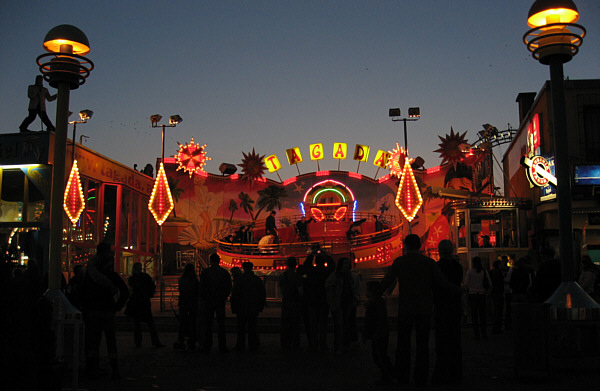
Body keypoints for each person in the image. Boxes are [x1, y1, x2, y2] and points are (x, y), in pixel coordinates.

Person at [380, 234, 461, 387]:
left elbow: (387, 281)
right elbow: (442, 282)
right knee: (422, 345)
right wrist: (458, 289)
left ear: (405, 245)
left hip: (405, 308)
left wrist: (375, 293)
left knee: (403, 344)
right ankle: (421, 377)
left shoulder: (400, 262)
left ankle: (402, 376)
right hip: (424, 308)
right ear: (419, 246)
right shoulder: (428, 263)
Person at [81, 242, 129, 380]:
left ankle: (92, 369)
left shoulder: (90, 275)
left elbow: (83, 292)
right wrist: (116, 306)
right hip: (107, 310)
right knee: (110, 341)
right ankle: (114, 370)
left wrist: (85, 307)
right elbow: (124, 292)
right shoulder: (111, 276)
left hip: (92, 310)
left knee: (93, 342)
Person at [432, 239, 464, 386]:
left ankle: (442, 371)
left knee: (442, 340)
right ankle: (456, 371)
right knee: (455, 339)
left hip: (441, 306)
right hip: (455, 305)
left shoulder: (437, 267)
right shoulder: (458, 267)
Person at [125, 262, 164, 348]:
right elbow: (151, 287)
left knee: (137, 325)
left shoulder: (133, 279)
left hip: (137, 303)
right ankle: (155, 341)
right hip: (143, 302)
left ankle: (138, 342)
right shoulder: (144, 277)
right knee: (150, 324)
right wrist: (149, 294)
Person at [199, 253, 232, 353]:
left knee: (208, 324)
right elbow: (228, 286)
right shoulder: (224, 272)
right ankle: (222, 345)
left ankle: (207, 344)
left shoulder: (206, 272)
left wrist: (203, 297)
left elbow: (202, 286)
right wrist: (224, 295)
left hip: (209, 300)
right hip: (220, 300)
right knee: (221, 324)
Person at [363, 280, 394, 385]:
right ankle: (389, 373)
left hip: (378, 333)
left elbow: (370, 321)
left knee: (379, 356)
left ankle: (387, 375)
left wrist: (366, 335)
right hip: (382, 332)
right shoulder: (379, 302)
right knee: (381, 354)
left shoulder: (373, 304)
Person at [231, 262, 266, 351]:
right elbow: (262, 294)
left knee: (241, 328)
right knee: (252, 327)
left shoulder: (240, 280)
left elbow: (235, 294)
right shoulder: (256, 279)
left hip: (241, 306)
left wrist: (234, 306)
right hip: (253, 306)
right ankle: (253, 344)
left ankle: (240, 345)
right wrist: (261, 305)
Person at [326, 257, 358, 354]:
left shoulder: (348, 276)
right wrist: (332, 303)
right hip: (339, 303)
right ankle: (339, 346)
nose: (346, 266)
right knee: (339, 325)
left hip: (347, 303)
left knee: (346, 324)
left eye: (347, 264)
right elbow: (330, 290)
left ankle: (344, 345)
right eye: (344, 264)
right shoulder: (336, 276)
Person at [304, 252, 331, 351]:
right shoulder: (326, 272)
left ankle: (313, 344)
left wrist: (311, 254)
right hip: (323, 301)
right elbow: (332, 266)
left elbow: (306, 265)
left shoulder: (312, 272)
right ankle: (322, 343)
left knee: (313, 325)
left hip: (312, 301)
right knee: (323, 325)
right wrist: (327, 256)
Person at [464, 256, 492, 340]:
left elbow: (466, 284)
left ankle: (476, 334)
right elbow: (489, 284)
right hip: (482, 294)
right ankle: (483, 333)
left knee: (474, 315)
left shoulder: (470, 272)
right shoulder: (484, 272)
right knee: (482, 315)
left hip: (473, 295)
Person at [278, 257, 303, 350]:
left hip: (287, 301)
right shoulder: (298, 277)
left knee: (285, 323)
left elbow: (281, 289)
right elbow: (301, 291)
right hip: (295, 302)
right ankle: (295, 342)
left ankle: (285, 342)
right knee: (295, 324)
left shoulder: (283, 276)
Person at [174, 263, 198, 351]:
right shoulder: (194, 280)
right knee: (192, 322)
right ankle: (192, 339)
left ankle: (181, 339)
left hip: (183, 302)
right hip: (192, 302)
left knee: (182, 322)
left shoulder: (181, 279)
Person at [489, 260, 506, 335]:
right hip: (498, 294)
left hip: (494, 293)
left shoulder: (492, 273)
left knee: (496, 311)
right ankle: (497, 328)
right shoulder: (499, 273)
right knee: (498, 311)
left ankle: (496, 328)